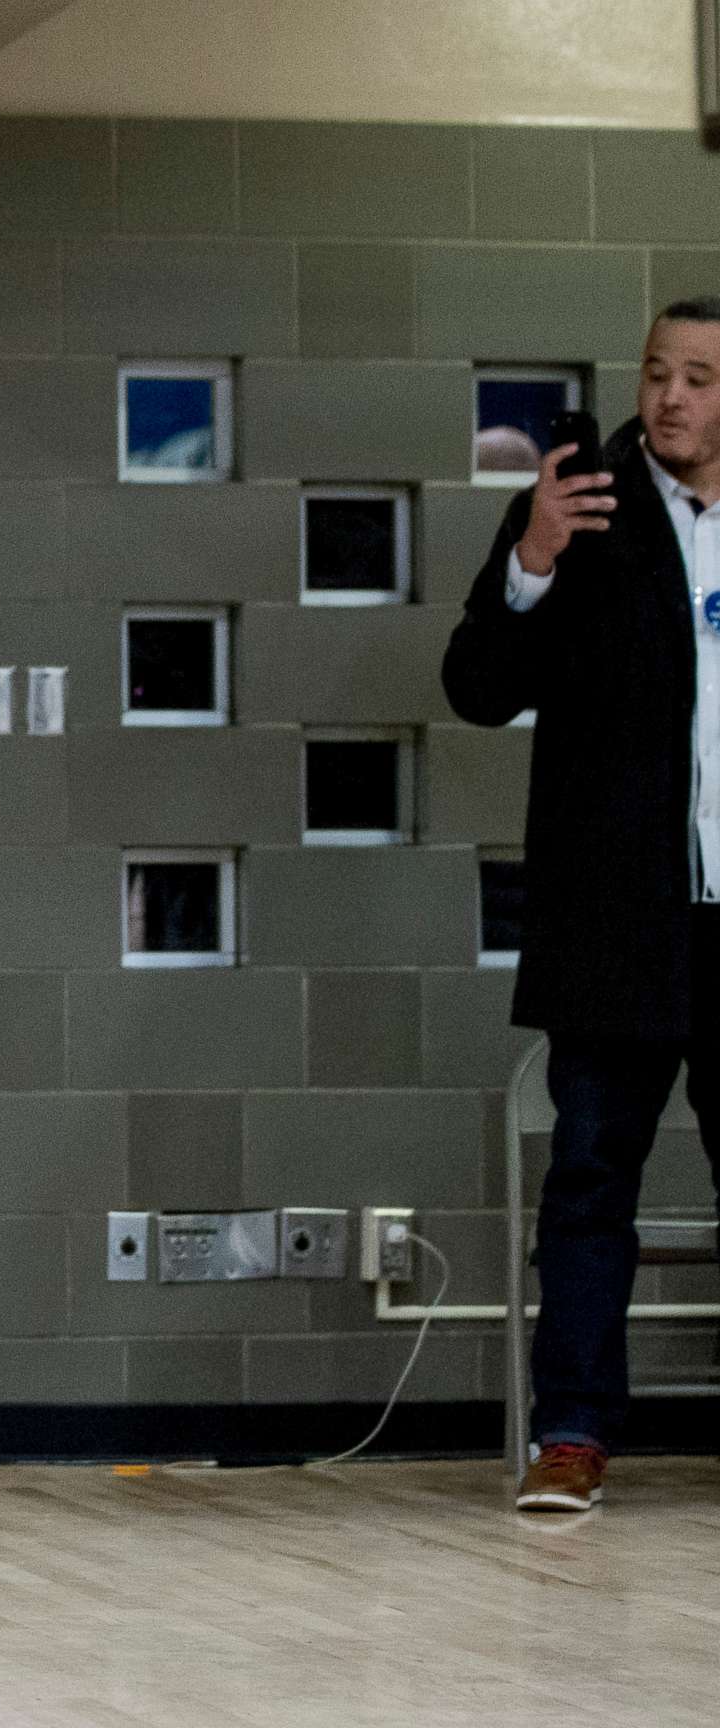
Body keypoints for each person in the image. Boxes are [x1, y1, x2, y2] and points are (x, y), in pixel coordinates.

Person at [445, 295, 720, 1514]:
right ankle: (572, 1434)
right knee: (592, 1181)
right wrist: (532, 562)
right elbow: (477, 690)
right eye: (658, 372)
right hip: (617, 919)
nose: (668, 397)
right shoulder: (577, 512)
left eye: (700, 378)